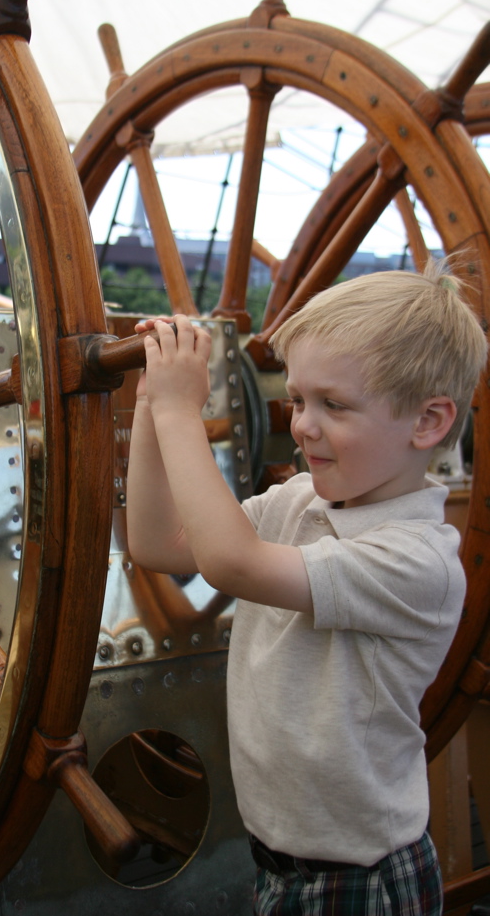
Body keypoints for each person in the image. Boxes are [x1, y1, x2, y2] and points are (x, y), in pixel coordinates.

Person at [126, 257, 488, 916]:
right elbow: (160, 541)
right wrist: (153, 406)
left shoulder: (417, 560)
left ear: (429, 422)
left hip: (360, 879)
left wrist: (185, 413)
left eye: (334, 405)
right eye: (298, 399)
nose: (302, 424)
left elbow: (231, 563)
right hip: (282, 862)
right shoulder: (297, 502)